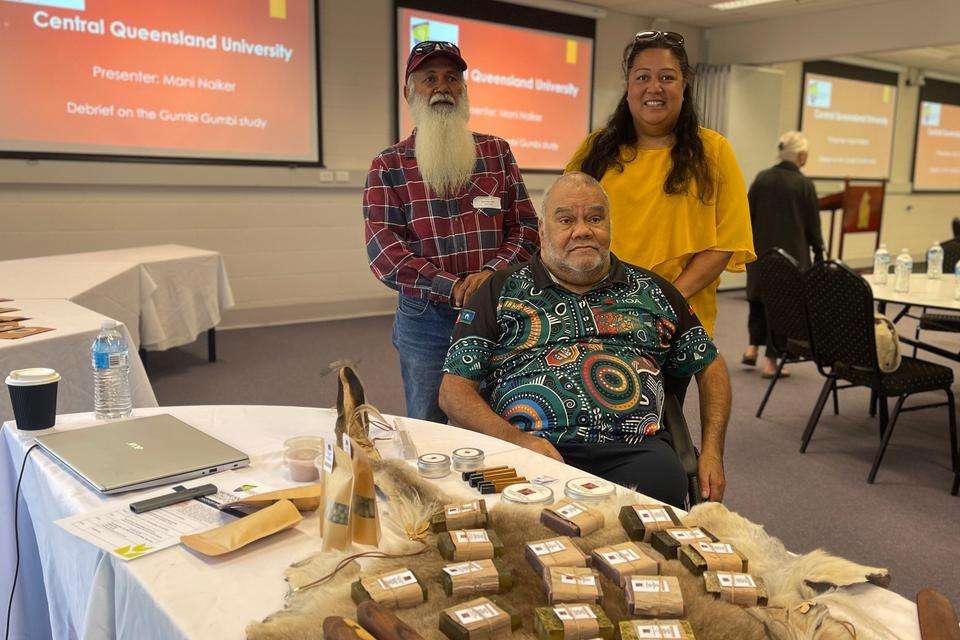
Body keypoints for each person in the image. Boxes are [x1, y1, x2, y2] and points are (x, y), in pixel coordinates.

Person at [438, 173, 732, 507]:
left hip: (637, 450)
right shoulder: (499, 290)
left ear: (609, 224)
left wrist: (712, 453)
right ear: (542, 229)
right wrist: (516, 440)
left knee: (657, 524)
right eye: (566, 220)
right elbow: (453, 391)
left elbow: (712, 367)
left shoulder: (655, 291)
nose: (582, 230)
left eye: (595, 218)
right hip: (533, 449)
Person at [363, 41, 539, 423]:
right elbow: (385, 253)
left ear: (464, 89)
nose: (442, 87)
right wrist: (451, 286)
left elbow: (525, 228)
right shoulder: (388, 165)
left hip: (498, 310)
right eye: (429, 78)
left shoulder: (497, 152)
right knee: (428, 425)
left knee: (507, 419)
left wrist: (491, 275)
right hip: (425, 318)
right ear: (410, 91)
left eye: (452, 78)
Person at [565, 31, 754, 338]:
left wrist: (660, 300)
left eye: (667, 77)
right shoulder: (595, 150)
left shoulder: (714, 152)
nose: (654, 87)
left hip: (676, 313)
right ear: (628, 88)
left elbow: (726, 243)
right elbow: (566, 225)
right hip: (597, 309)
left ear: (684, 86)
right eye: (642, 77)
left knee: (658, 389)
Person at [742, 132, 825, 378]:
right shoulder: (804, 185)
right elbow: (813, 226)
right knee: (782, 308)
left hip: (759, 255)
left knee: (757, 301)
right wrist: (819, 251)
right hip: (790, 259)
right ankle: (771, 362)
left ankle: (751, 348)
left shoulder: (762, 178)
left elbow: (748, 214)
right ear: (800, 156)